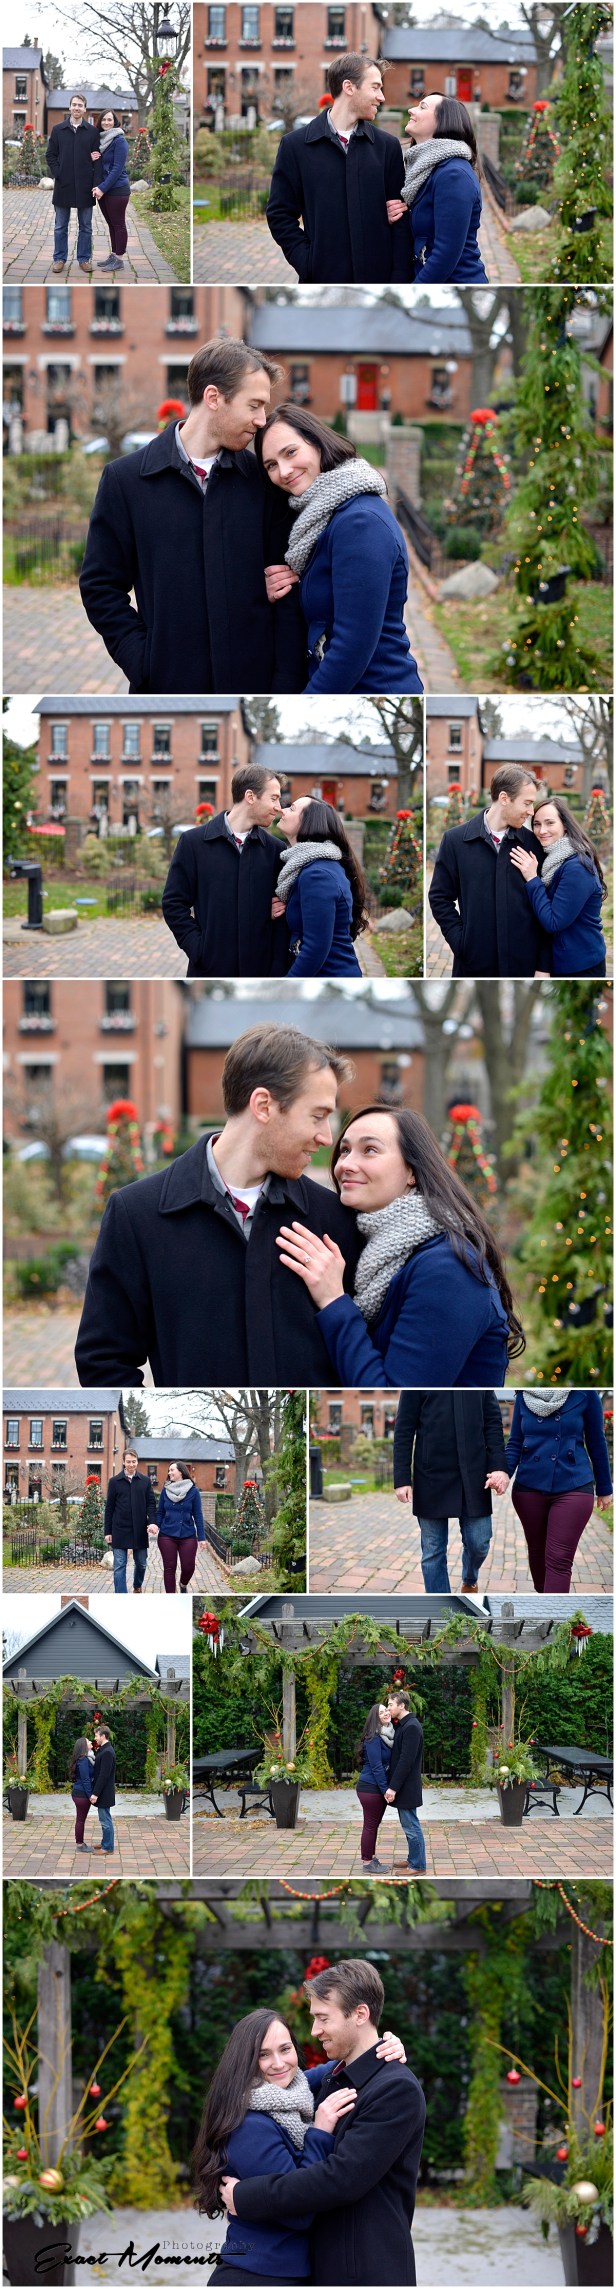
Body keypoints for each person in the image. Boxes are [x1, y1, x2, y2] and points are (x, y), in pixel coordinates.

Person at [75, 1025, 360, 1386]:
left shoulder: (334, 1217)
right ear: (263, 1105)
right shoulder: (136, 1215)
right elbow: (103, 1361)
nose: (327, 1137)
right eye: (317, 1116)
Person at [79, 338, 306, 696]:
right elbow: (100, 586)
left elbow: (288, 584)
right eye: (255, 405)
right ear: (214, 398)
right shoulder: (125, 481)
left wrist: (286, 682)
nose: (262, 421)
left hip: (256, 683)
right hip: (166, 686)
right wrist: (143, 660)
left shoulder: (263, 481)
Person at [275, 1105, 524, 1388]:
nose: (345, 1164)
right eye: (344, 1150)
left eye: (370, 1150)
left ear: (412, 1172)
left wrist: (333, 1301)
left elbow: (395, 1398)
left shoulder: (449, 1269)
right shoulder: (378, 1253)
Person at [221, 1961, 426, 2288]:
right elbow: (289, 2082)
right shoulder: (335, 2077)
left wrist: (247, 2197)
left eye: (322, 2018)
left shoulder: (395, 2089)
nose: (314, 2030)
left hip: (365, 2271)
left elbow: (340, 2178)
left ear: (360, 2014)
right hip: (323, 2267)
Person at [257, 406, 422, 695]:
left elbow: (351, 647)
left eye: (290, 452)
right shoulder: (319, 517)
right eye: (271, 465)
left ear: (317, 442)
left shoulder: (359, 522)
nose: (283, 471)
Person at [266, 54, 412, 286]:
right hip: (322, 279)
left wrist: (400, 277)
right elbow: (279, 215)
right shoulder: (295, 146)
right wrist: (308, 262)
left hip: (380, 278)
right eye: (375, 87)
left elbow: (401, 219)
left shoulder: (387, 147)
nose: (381, 97)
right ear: (349, 87)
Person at [161, 763, 289, 979]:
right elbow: (173, 903)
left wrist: (276, 966)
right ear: (250, 796)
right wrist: (199, 949)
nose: (279, 807)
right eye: (274, 798)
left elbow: (282, 915)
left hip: (261, 971)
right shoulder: (193, 843)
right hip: (209, 969)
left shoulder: (276, 850)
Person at [428, 765, 551, 978]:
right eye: (527, 803)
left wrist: (543, 964)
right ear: (504, 798)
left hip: (523, 964)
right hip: (474, 963)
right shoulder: (455, 841)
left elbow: (545, 906)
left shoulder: (532, 843)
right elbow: (439, 898)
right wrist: (461, 942)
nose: (531, 811)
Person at [393, 1389, 508, 1594]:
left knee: (479, 1542)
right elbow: (404, 1429)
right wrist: (402, 1478)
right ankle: (442, 1612)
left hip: (473, 1474)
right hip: (430, 1475)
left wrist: (499, 1466)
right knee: (433, 1553)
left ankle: (470, 1578)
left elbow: (492, 1422)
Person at [502, 1389, 613, 1594]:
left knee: (559, 1559)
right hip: (529, 1486)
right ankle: (544, 1599)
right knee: (537, 1553)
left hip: (574, 1483)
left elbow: (596, 1440)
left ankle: (554, 1614)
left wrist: (605, 1487)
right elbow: (515, 1442)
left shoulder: (585, 1393)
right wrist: (504, 1473)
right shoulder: (524, 1396)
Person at [388, 94, 487, 284]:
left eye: (422, 107)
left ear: (443, 121)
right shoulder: (427, 170)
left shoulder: (453, 174)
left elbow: (444, 256)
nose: (411, 110)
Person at [510, 794, 608, 979]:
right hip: (559, 961)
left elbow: (553, 922)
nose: (541, 830)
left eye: (549, 823)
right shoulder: (552, 860)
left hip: (580, 966)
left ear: (565, 824)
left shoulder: (577, 867)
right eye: (537, 824)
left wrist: (532, 878)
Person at [273, 796, 367, 976]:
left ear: (309, 822)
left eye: (292, 808)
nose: (282, 810)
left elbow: (315, 949)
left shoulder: (317, 874)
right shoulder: (313, 866)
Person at [46, 91, 100, 273]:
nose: (77, 108)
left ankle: (84, 259)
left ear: (85, 109)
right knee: (60, 225)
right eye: (74, 104)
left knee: (86, 226)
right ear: (70, 107)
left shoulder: (92, 132)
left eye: (80, 105)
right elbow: (50, 155)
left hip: (85, 186)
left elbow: (97, 158)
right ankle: (59, 258)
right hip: (64, 184)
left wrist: (95, 178)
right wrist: (58, 172)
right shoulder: (58, 129)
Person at [104, 1445, 157, 1593]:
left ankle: (137, 1584)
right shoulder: (114, 1482)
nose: (131, 1464)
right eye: (128, 1461)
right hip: (119, 1529)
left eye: (134, 1461)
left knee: (141, 1564)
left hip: (139, 1530)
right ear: (123, 1462)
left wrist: (152, 1521)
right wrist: (108, 1531)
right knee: (120, 1565)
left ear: (137, 1462)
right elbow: (109, 1508)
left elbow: (151, 1504)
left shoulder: (145, 1481)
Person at [384, 1690, 426, 1874]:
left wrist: (393, 1787)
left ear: (402, 1705)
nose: (388, 1708)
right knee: (408, 1825)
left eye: (391, 1704)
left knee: (411, 1826)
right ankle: (413, 1859)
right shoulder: (404, 1725)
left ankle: (417, 1865)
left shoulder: (411, 1727)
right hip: (405, 1786)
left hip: (407, 1786)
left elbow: (406, 1761)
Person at [356, 1701, 394, 1875]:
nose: (386, 1712)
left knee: (373, 1825)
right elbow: (377, 1767)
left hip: (375, 1787)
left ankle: (370, 1857)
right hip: (370, 1788)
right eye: (381, 1712)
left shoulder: (387, 1735)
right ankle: (367, 1862)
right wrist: (386, 1789)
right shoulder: (373, 1738)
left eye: (386, 1709)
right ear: (375, 1718)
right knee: (370, 1826)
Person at [157, 1460, 206, 1594]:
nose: (169, 1472)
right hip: (166, 1535)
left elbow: (198, 1515)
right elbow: (160, 1512)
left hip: (188, 1534)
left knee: (188, 1567)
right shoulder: (165, 1491)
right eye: (169, 1470)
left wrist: (202, 1537)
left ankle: (183, 1584)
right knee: (169, 1568)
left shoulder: (193, 1491)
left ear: (181, 1471)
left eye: (172, 1470)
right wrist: (156, 1525)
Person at [92, 108, 131, 271]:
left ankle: (119, 258)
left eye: (110, 120)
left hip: (117, 190)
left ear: (115, 122)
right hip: (105, 190)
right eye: (104, 120)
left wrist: (101, 188)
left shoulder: (119, 140)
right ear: (100, 122)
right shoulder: (101, 141)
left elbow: (116, 169)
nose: (106, 122)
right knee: (111, 224)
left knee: (119, 224)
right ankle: (114, 254)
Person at [89, 1723, 116, 1855]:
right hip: (104, 1792)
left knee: (105, 1820)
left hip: (104, 1792)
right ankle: (105, 1842)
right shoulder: (104, 1749)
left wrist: (95, 1793)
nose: (95, 1738)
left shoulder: (107, 1752)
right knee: (104, 1819)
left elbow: (104, 1775)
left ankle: (108, 1847)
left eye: (96, 1735)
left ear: (103, 1736)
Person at [70, 1733, 94, 1853]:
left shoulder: (84, 1758)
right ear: (84, 1746)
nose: (90, 1742)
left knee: (80, 1819)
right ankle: (79, 1844)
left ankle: (80, 1842)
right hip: (81, 1795)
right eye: (88, 1741)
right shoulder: (83, 1760)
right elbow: (85, 1780)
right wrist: (90, 1795)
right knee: (80, 1820)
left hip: (79, 1793)